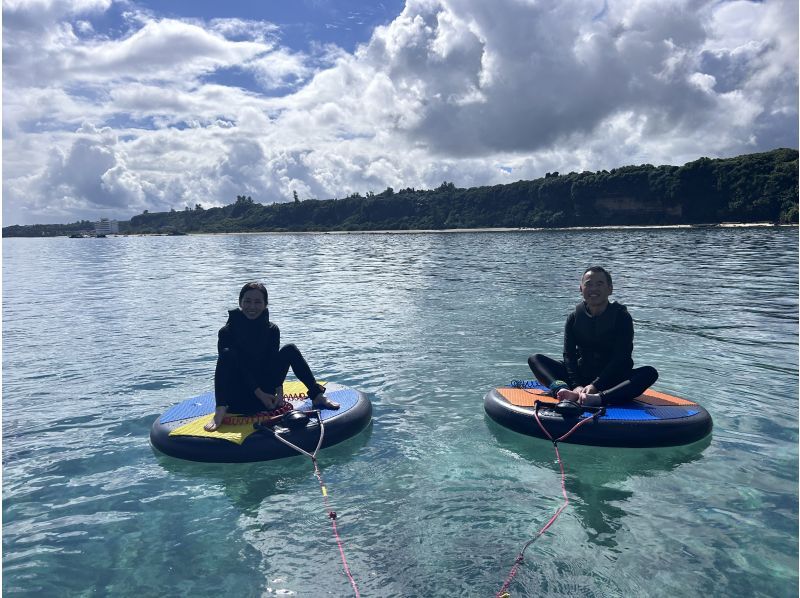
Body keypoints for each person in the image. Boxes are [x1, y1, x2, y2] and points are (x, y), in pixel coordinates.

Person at [204, 282, 339, 431]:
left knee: (290, 349)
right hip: (239, 398)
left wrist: (279, 392)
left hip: (267, 398)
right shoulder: (226, 332)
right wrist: (260, 394)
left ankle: (317, 395)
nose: (252, 306)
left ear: (265, 304)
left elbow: (272, 363)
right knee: (227, 354)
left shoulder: (272, 329)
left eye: (257, 302)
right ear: (240, 302)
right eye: (247, 301)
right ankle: (220, 410)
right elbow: (237, 369)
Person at [528, 266, 658, 407]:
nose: (593, 288)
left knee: (649, 373)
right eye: (588, 284)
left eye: (599, 284)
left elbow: (622, 357)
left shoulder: (622, 317)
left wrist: (596, 386)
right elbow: (569, 355)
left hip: (612, 380)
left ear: (610, 289)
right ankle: (562, 390)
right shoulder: (574, 318)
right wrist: (576, 384)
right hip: (582, 375)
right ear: (581, 289)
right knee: (535, 359)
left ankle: (599, 398)